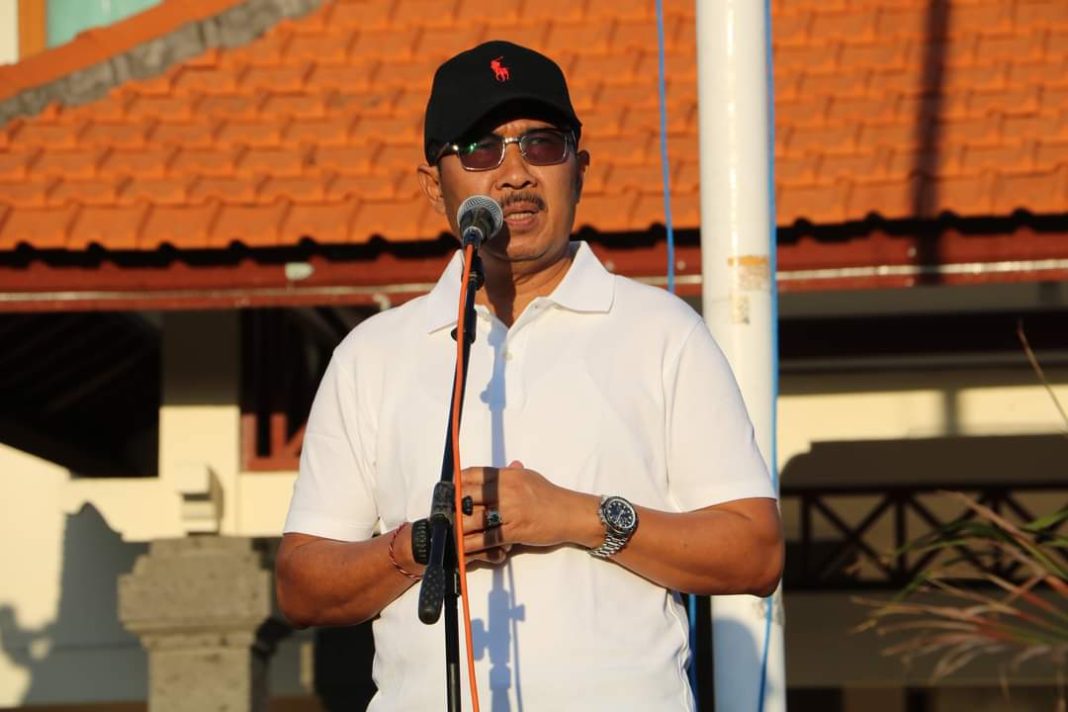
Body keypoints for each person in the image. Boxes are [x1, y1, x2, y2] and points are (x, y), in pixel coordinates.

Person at [276, 40, 783, 710]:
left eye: (542, 145)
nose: (515, 173)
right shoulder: (374, 353)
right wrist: (422, 544)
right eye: (480, 150)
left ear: (580, 169)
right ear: (434, 186)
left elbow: (755, 551)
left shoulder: (661, 331)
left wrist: (574, 516)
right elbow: (301, 586)